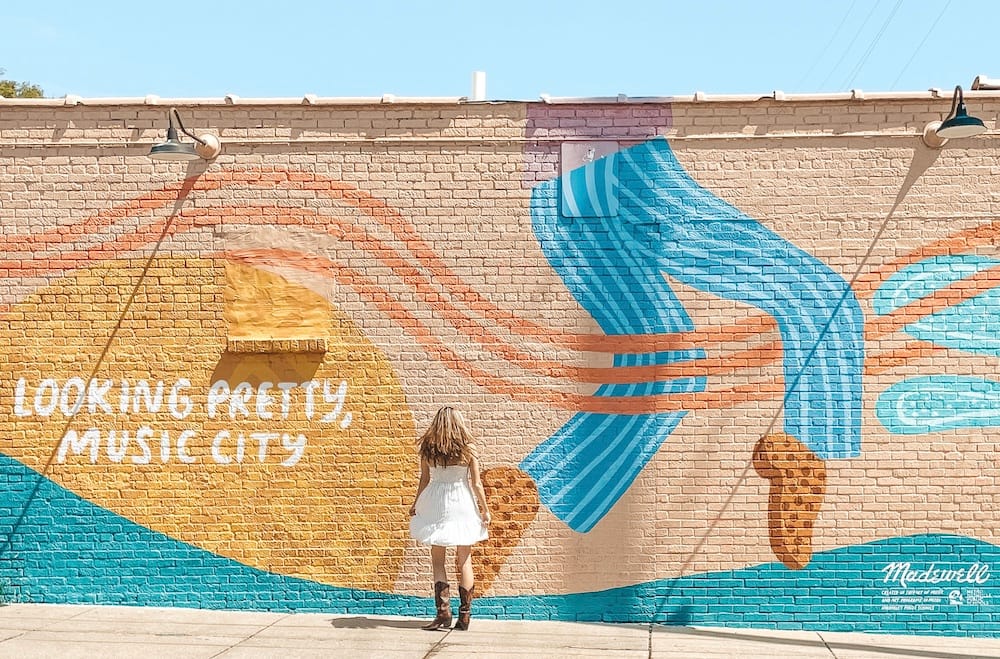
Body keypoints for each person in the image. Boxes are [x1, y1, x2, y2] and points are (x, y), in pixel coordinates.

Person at [409, 407, 491, 630]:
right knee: (464, 559)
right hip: (462, 501)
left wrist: (416, 503)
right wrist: (484, 509)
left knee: (438, 559)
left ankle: (443, 613)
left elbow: (424, 480)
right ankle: (464, 617)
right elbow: (476, 483)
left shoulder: (428, 447)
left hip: (436, 501)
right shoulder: (468, 448)